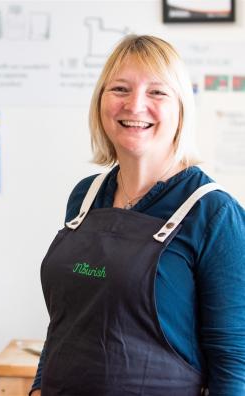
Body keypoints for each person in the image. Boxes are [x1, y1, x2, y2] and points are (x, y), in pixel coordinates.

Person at [29, 35, 245, 396]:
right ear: (101, 101)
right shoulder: (86, 197)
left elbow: (234, 360)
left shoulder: (214, 212)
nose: (135, 105)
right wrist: (38, 386)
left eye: (157, 93)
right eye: (120, 89)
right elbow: (65, 322)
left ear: (181, 108)